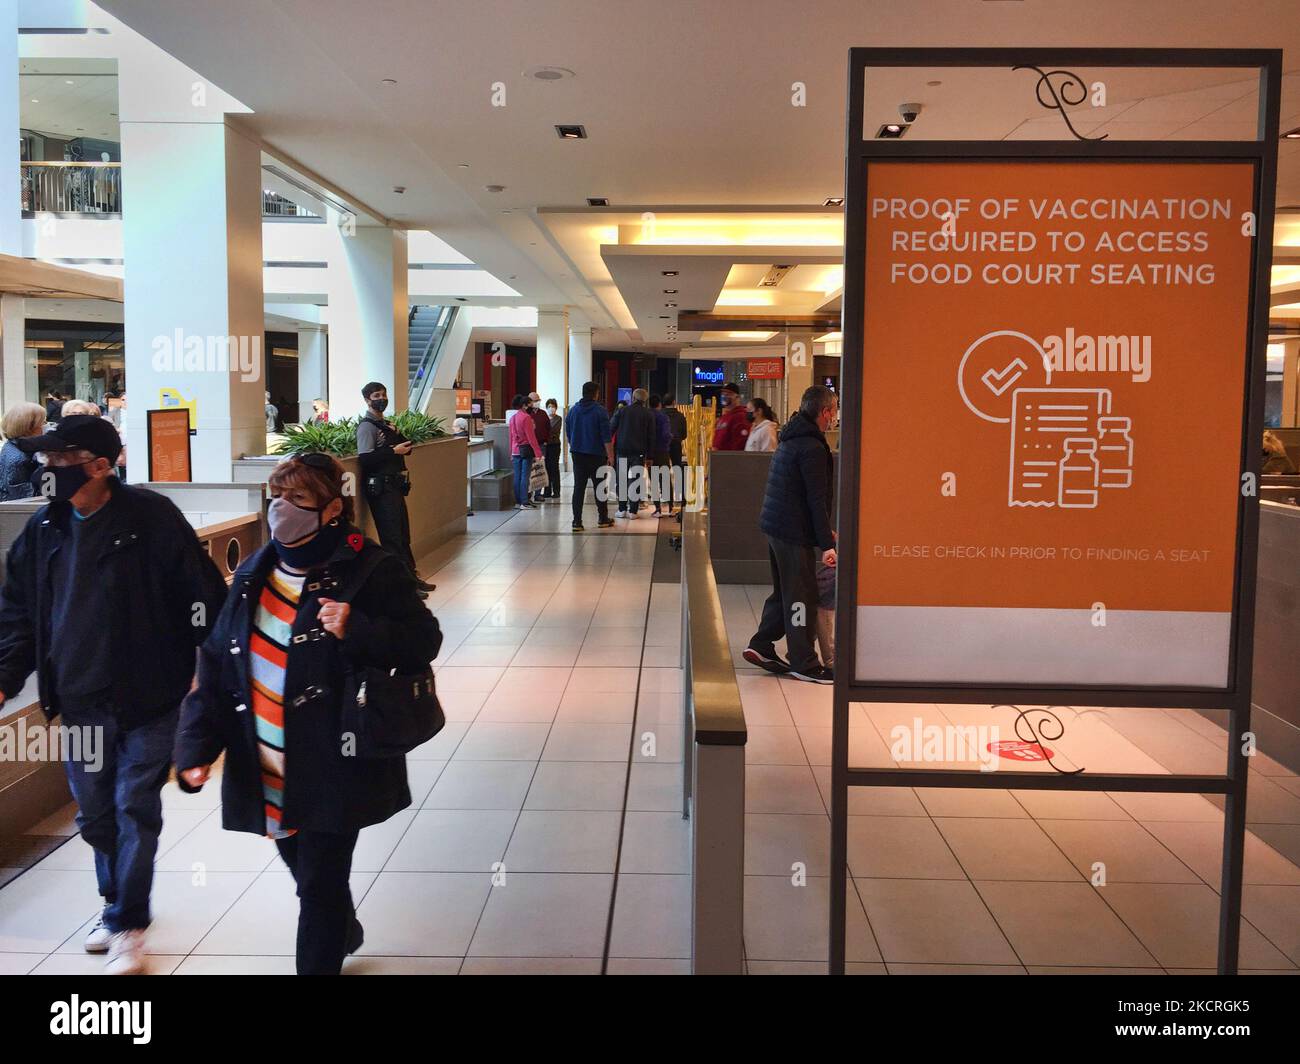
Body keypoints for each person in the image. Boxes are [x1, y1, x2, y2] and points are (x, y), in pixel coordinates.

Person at [175, 453, 442, 976]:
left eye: (297, 500)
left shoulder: (369, 569)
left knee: (318, 881)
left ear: (332, 509)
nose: (282, 510)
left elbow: (423, 641)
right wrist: (194, 749)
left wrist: (358, 627)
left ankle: (323, 949)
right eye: (275, 497)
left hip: (336, 758)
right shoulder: (255, 572)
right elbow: (217, 664)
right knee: (307, 871)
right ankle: (343, 926)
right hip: (267, 761)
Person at [0, 415, 227, 973]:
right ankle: (113, 905)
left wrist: (208, 678)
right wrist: (6, 677)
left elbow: (202, 597)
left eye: (60, 458)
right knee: (98, 811)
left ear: (101, 466)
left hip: (150, 696)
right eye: (45, 458)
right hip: (79, 700)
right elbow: (20, 614)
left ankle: (129, 922)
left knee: (133, 806)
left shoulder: (151, 518)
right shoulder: (45, 529)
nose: (46, 468)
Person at [744, 385, 838, 684]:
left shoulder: (793, 436)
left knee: (788, 591)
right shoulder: (811, 446)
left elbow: (803, 496)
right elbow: (815, 498)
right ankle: (803, 662)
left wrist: (825, 533)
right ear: (825, 412)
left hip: (778, 526)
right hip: (791, 530)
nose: (835, 415)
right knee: (802, 596)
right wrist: (826, 544)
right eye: (834, 409)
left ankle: (761, 644)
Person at [356, 382, 432, 598]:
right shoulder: (366, 427)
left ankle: (411, 577)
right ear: (367, 400)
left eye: (384, 394)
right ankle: (401, 586)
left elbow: (407, 449)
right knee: (391, 538)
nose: (382, 398)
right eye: (377, 395)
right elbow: (366, 458)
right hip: (380, 489)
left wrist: (397, 436)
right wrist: (392, 450)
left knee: (402, 535)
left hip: (394, 487)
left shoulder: (386, 425)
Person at [565, 381, 614, 533]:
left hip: (578, 454)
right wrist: (610, 455)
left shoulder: (573, 411)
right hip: (597, 455)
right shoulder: (600, 411)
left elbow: (568, 433)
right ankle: (602, 519)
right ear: (596, 394)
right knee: (599, 486)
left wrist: (575, 445)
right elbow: (606, 437)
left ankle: (577, 522)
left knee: (579, 488)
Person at [609, 388, 655, 518]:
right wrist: (650, 456)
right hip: (639, 452)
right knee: (636, 480)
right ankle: (633, 511)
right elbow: (651, 436)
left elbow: (611, 428)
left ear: (633, 398)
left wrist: (608, 450)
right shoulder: (648, 414)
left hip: (622, 450)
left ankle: (622, 509)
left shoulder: (622, 411)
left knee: (621, 480)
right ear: (645, 400)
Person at [1, 402, 45, 501]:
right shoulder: (19, 459)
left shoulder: (12, 445)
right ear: (30, 428)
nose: (44, 427)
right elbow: (26, 498)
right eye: (42, 423)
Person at [508, 392, 542, 510]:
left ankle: (518, 501)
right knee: (525, 476)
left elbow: (511, 437)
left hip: (515, 450)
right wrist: (538, 452)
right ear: (525, 405)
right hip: (526, 450)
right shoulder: (526, 418)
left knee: (517, 476)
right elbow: (531, 437)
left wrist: (510, 453)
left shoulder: (513, 418)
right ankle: (524, 501)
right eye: (530, 404)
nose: (532, 405)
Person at [662, 393, 688, 517]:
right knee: (678, 470)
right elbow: (684, 434)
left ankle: (669, 502)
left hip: (663, 446)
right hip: (676, 444)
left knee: (665, 472)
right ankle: (682, 499)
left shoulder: (660, 415)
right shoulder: (680, 416)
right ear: (673, 402)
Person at [648, 393, 673, 517]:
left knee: (654, 481)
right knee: (665, 479)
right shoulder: (663, 417)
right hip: (662, 451)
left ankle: (657, 509)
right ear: (659, 404)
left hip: (650, 453)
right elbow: (666, 434)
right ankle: (670, 508)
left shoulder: (647, 416)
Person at [526, 392, 551, 502]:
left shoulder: (543, 413)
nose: (537, 402)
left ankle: (538, 493)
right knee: (528, 469)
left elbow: (548, 428)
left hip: (541, 445)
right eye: (535, 401)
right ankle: (528, 492)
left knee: (539, 468)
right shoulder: (527, 414)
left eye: (538, 400)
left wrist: (546, 440)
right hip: (529, 445)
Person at [712, 381, 750, 451]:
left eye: (728, 394)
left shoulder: (740, 417)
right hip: (718, 458)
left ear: (737, 397)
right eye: (723, 393)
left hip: (729, 459)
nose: (724, 396)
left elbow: (741, 443)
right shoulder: (724, 417)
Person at [542, 398, 563, 501]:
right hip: (545, 446)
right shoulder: (544, 418)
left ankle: (556, 491)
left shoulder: (558, 419)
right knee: (546, 468)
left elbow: (554, 431)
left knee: (554, 468)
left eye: (553, 406)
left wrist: (545, 433)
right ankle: (547, 491)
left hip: (554, 446)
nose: (551, 408)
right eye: (549, 407)